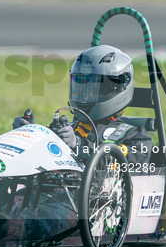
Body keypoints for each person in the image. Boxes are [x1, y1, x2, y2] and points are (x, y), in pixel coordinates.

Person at [13, 45, 153, 166]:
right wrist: (33, 133)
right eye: (82, 88)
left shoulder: (136, 137)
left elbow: (118, 162)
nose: (85, 97)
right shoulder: (72, 129)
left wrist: (80, 146)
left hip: (101, 195)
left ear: (117, 87)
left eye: (93, 89)